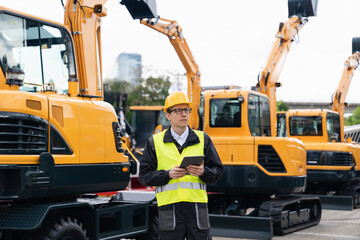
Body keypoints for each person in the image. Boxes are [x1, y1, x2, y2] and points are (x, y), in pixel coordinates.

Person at [139, 91, 224, 240]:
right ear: (168, 115)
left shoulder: (203, 139)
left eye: (186, 110)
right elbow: (144, 177)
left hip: (197, 209)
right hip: (169, 209)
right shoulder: (154, 142)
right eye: (178, 110)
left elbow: (218, 172)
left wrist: (203, 172)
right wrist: (168, 175)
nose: (184, 114)